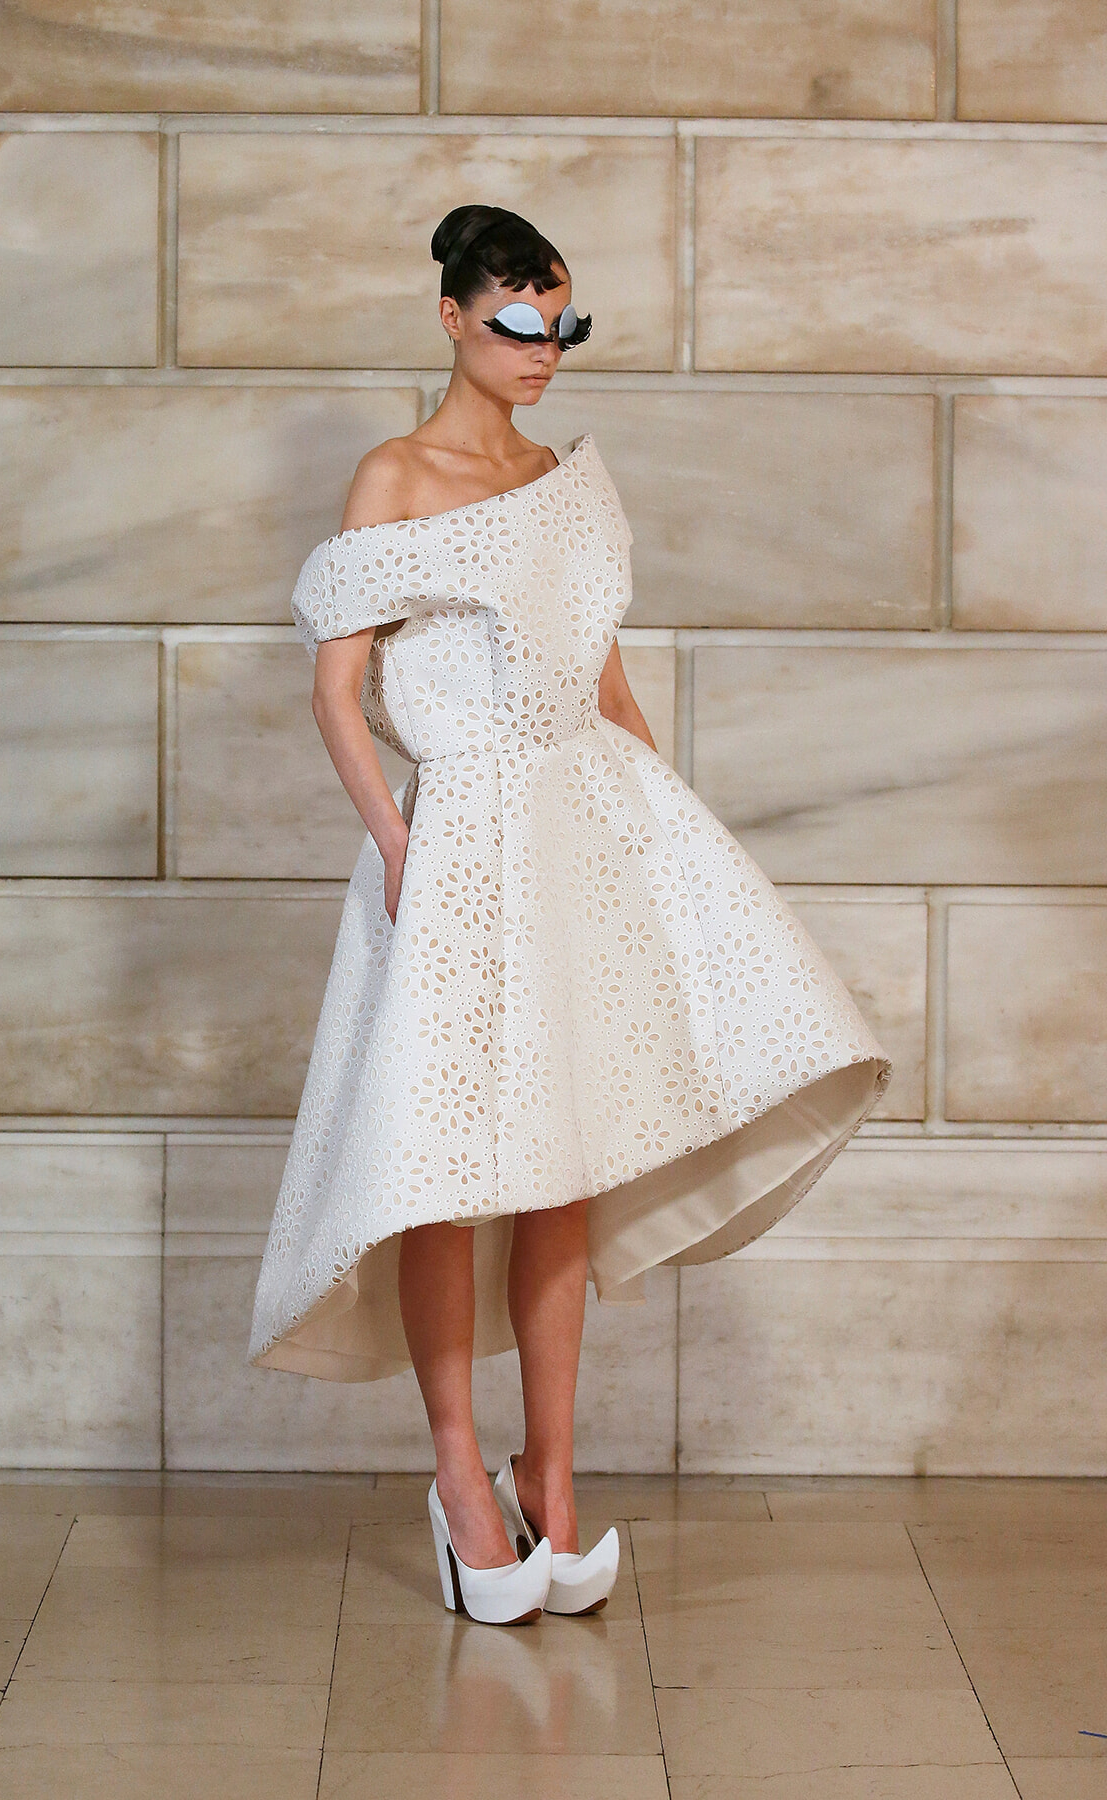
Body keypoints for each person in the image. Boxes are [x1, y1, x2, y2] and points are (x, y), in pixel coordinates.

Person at [249, 204, 891, 1625]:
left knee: (565, 1164)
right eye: (517, 324)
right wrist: (397, 846)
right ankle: (460, 1477)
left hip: (580, 824)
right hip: (464, 839)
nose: (544, 352)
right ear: (452, 319)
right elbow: (334, 694)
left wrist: (667, 842)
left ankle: (559, 1470)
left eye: (564, 326)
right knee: (445, 1169)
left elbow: (599, 677)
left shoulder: (564, 480)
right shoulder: (397, 477)